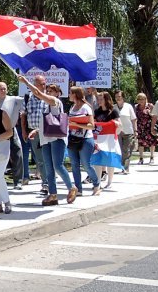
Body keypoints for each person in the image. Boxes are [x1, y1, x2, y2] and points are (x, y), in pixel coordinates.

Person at [19, 76, 75, 206]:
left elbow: (38, 92)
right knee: (48, 168)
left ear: (57, 93)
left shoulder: (55, 102)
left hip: (56, 138)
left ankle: (71, 187)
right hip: (46, 139)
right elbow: (46, 122)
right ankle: (52, 194)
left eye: (51, 90)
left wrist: (26, 82)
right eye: (48, 90)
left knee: (57, 165)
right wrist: (36, 130)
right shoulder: (46, 105)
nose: (48, 92)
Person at [67, 86, 101, 196]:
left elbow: (91, 126)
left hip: (85, 139)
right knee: (74, 165)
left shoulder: (86, 108)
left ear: (75, 94)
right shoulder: (72, 107)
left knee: (86, 164)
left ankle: (96, 184)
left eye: (70, 93)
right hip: (72, 138)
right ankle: (78, 189)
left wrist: (76, 124)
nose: (69, 95)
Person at [21, 74, 50, 196]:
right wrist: (24, 131)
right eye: (40, 84)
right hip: (33, 133)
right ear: (35, 85)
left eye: (44, 84)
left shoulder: (48, 98)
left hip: (47, 133)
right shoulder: (28, 98)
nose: (43, 86)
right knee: (40, 160)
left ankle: (49, 183)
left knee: (49, 159)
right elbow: (23, 115)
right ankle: (45, 183)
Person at [0, 81, 25, 190]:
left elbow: (28, 97)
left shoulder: (14, 99)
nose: (3, 90)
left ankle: (18, 181)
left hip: (11, 130)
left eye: (5, 88)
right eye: (1, 89)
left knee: (17, 152)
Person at [93, 91, 120, 189]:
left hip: (110, 139)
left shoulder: (113, 111)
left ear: (106, 100)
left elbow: (119, 124)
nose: (99, 101)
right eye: (98, 99)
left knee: (110, 159)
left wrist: (115, 123)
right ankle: (98, 181)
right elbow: (94, 124)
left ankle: (109, 182)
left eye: (101, 99)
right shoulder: (96, 111)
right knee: (98, 160)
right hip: (99, 139)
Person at [114, 90, 137, 174]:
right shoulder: (114, 107)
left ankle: (126, 168)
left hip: (128, 131)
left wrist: (135, 131)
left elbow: (134, 119)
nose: (117, 98)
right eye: (116, 97)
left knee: (126, 150)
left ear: (123, 97)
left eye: (119, 96)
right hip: (118, 132)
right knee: (119, 150)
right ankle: (122, 166)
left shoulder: (128, 106)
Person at [134, 93, 157, 164]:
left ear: (145, 99)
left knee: (152, 142)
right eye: (139, 99)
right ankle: (141, 158)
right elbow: (134, 117)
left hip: (149, 126)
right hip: (140, 127)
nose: (141, 100)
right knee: (141, 143)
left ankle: (152, 157)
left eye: (143, 99)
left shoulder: (150, 106)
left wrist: (151, 113)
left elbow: (155, 116)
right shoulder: (136, 107)